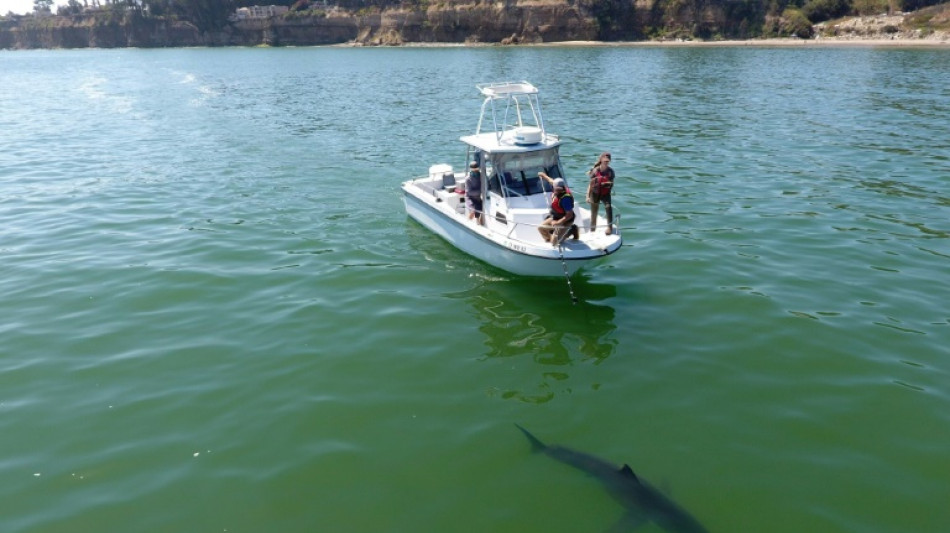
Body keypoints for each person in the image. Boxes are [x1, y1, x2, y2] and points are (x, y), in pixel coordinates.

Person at [538, 172, 579, 246]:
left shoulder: (565, 199)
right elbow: (551, 180)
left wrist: (558, 223)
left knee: (555, 243)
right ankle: (549, 239)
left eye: (559, 189)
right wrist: (544, 176)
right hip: (556, 217)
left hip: (566, 220)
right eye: (556, 188)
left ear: (562, 188)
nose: (557, 190)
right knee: (541, 228)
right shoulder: (555, 186)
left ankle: (572, 230)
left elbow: (569, 215)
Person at [586, 152, 615, 235]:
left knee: (608, 207)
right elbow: (590, 185)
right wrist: (587, 196)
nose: (606, 162)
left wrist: (608, 184)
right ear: (601, 160)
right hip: (595, 193)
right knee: (594, 212)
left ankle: (610, 227)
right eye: (605, 160)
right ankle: (592, 229)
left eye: (608, 161)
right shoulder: (595, 171)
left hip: (605, 193)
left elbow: (612, 183)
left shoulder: (611, 172)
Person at [464, 161, 484, 225]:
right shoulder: (468, 179)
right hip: (469, 198)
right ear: (471, 169)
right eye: (474, 169)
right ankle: (467, 223)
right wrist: (481, 191)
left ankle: (478, 222)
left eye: (476, 169)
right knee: (473, 210)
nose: (475, 171)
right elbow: (469, 192)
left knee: (482, 209)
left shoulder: (481, 176)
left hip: (478, 198)